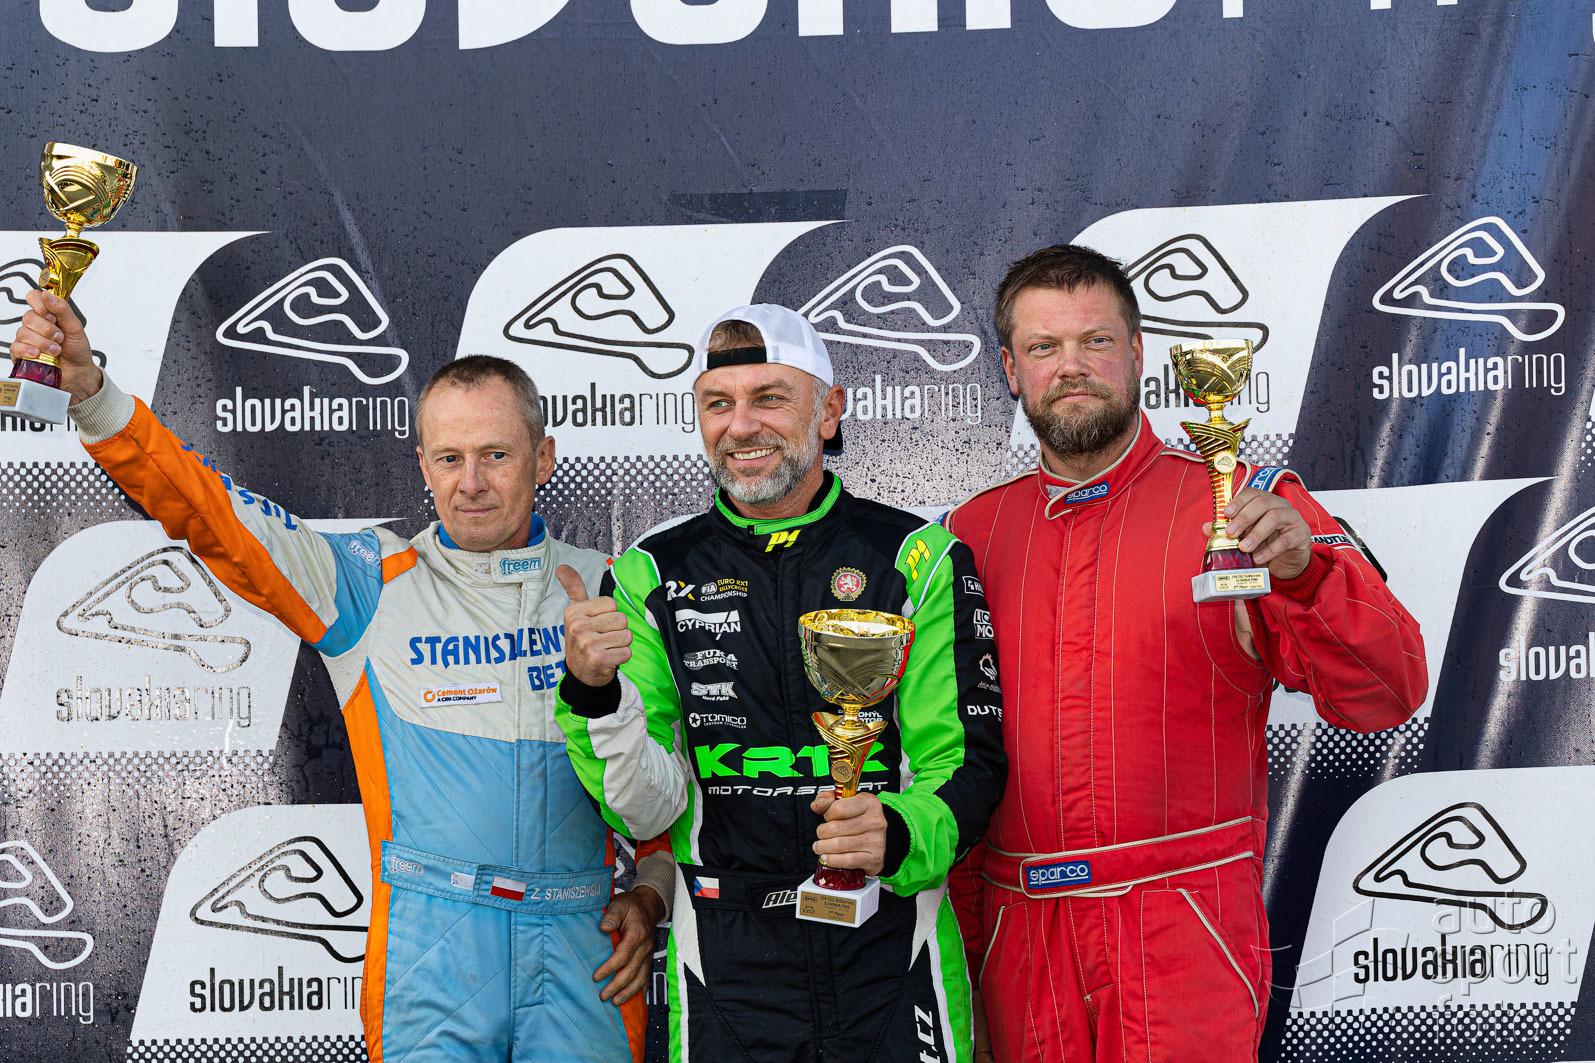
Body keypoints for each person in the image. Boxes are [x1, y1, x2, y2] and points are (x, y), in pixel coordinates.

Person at [10, 289, 673, 1062]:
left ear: (543, 457)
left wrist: (652, 890)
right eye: (449, 458)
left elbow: (665, 792)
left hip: (584, 950)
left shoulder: (611, 586)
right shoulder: (367, 582)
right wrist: (94, 399)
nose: (471, 482)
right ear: (423, 464)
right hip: (434, 952)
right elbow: (211, 512)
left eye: (496, 454)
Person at [944, 245, 1428, 1062]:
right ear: (1009, 368)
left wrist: (1305, 573)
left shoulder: (1244, 503)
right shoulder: (969, 534)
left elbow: (1387, 692)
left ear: (1137, 353)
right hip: (1020, 943)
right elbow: (951, 764)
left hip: (1181, 933)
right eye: (1043, 346)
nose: (1071, 366)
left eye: (1096, 340)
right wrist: (962, 960)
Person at [551, 303, 1008, 1062]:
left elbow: (967, 763)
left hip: (890, 941)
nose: (741, 426)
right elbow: (645, 806)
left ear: (828, 411)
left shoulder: (918, 557)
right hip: (726, 959)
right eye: (717, 403)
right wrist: (594, 693)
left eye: (769, 398)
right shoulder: (649, 572)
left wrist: (896, 831)